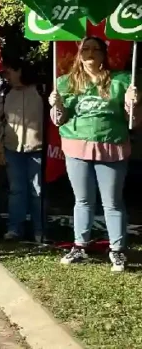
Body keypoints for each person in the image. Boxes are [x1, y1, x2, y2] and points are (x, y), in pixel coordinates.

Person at [50, 36, 135, 273]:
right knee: (83, 200)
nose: (88, 54)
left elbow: (133, 122)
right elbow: (59, 120)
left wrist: (133, 104)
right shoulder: (65, 82)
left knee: (113, 202)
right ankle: (80, 246)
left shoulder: (122, 81)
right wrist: (55, 105)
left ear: (102, 54)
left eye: (94, 50)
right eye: (84, 49)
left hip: (112, 147)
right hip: (77, 147)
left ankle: (117, 250)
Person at [0, 56, 44, 242]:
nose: (6, 76)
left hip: (37, 148)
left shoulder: (40, 90)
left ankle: (40, 231)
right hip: (12, 149)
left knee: (38, 191)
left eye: (9, 71)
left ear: (20, 71)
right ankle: (14, 229)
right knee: (16, 190)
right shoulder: (5, 92)